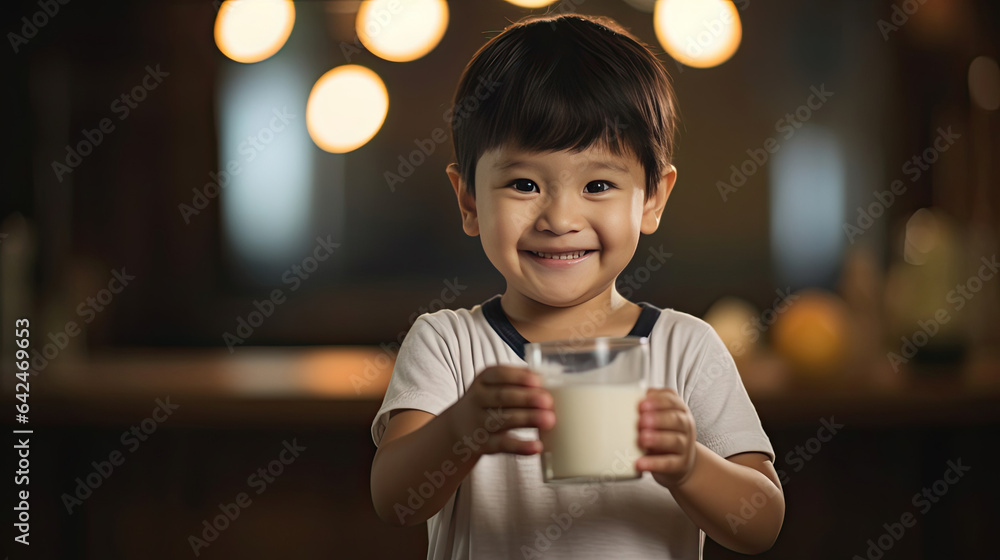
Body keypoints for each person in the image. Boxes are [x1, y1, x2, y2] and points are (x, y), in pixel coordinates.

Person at [369, 12, 784, 560]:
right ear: (468, 200)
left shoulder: (687, 348)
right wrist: (460, 429)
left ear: (653, 198)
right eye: (523, 184)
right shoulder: (448, 345)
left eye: (598, 184)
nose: (560, 217)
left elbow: (761, 523)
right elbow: (395, 501)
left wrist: (689, 464)